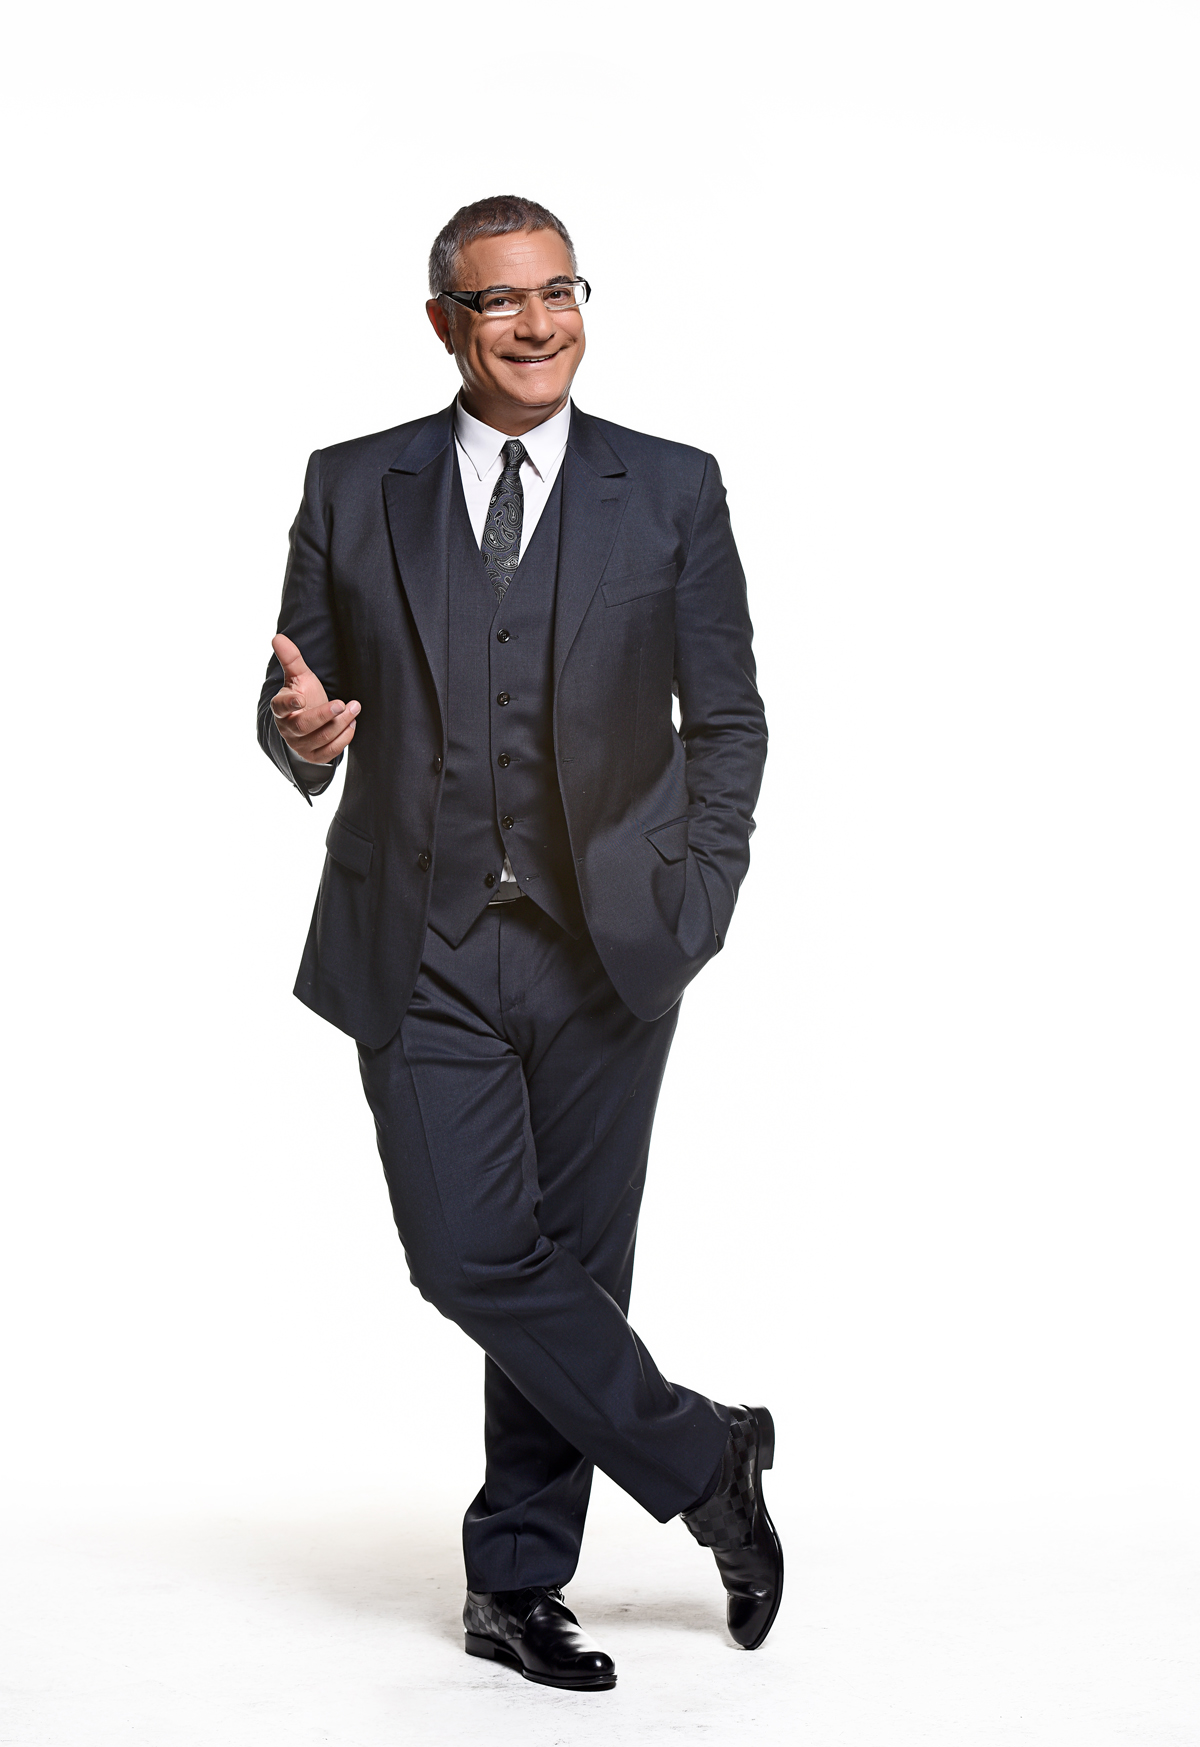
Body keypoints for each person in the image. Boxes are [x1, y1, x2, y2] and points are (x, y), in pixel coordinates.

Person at [257, 195, 777, 1692]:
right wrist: (299, 734)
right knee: (471, 1255)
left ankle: (516, 1584)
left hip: (611, 946)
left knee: (577, 1274)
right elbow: (293, 693)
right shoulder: (352, 482)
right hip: (415, 942)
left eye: (561, 292)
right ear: (446, 322)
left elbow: (727, 717)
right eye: (501, 301)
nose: (540, 324)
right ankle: (709, 1460)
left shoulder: (669, 487)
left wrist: (699, 894)